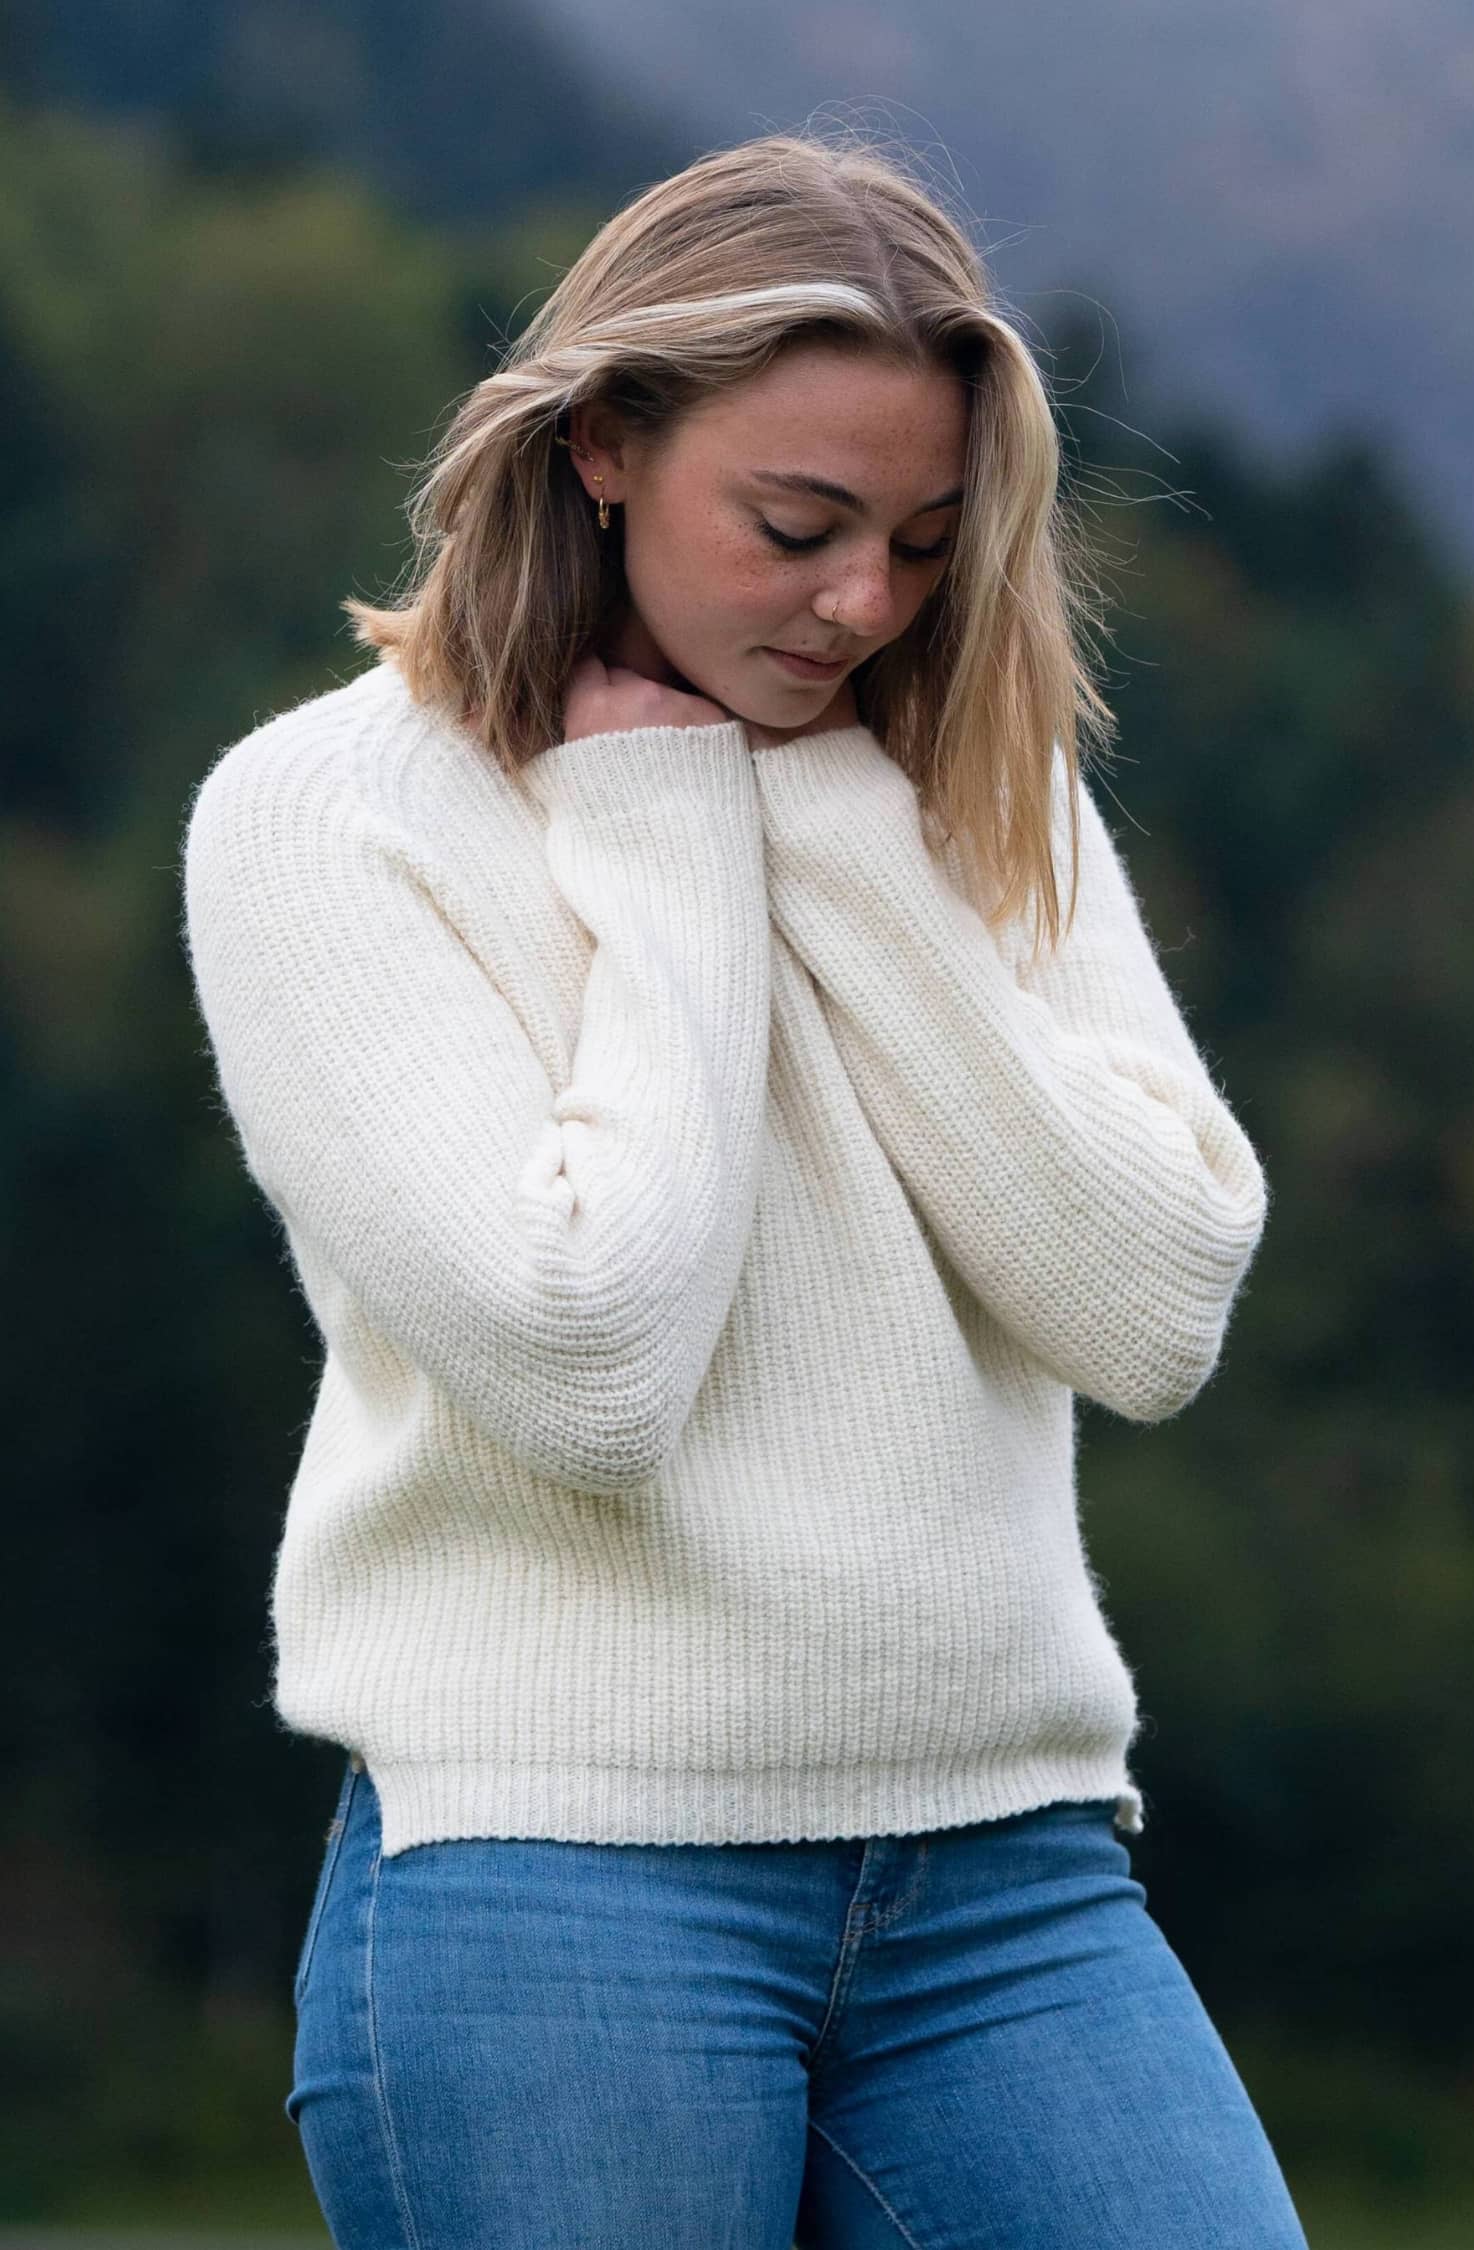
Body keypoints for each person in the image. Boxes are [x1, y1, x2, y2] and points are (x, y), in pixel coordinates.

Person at [179, 125, 1308, 2249]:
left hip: (1013, 1879)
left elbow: (1153, 1304)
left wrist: (845, 828)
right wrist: (674, 850)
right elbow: (587, 1355)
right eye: (796, 525)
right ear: (605, 441)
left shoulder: (967, 772)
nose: (864, 602)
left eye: (921, 539)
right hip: (558, 1893)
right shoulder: (325, 821)